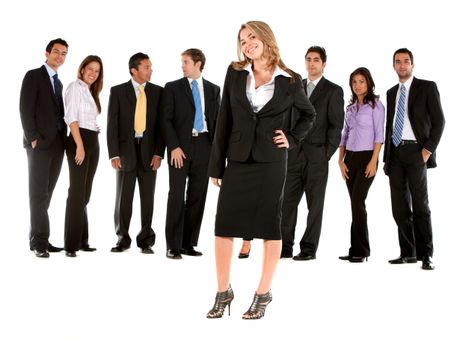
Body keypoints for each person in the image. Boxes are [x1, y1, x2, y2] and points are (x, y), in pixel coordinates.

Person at [206, 21, 316, 319]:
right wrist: (216, 165)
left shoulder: (290, 80)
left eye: (252, 37)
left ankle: (263, 293)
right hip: (238, 158)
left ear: (266, 38)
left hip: (271, 162)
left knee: (270, 224)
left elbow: (308, 114)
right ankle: (222, 291)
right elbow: (224, 118)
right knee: (223, 225)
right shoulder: (235, 72)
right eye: (242, 40)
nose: (247, 43)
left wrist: (291, 139)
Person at [280, 46, 344, 260]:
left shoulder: (333, 90)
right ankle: (285, 247)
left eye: (316, 60)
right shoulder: (294, 87)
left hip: (317, 156)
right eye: (308, 59)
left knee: (314, 206)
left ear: (324, 63)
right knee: (286, 203)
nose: (311, 63)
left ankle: (308, 249)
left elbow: (336, 126)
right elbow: (288, 119)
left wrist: (326, 153)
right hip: (293, 155)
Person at [384, 48, 445, 270]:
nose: (402, 65)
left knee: (420, 205)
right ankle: (407, 252)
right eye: (398, 62)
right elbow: (389, 126)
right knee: (399, 207)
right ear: (393, 66)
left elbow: (439, 122)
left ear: (412, 65)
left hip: (417, 152)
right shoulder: (391, 93)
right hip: (396, 153)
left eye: (406, 61)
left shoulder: (427, 87)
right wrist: (386, 158)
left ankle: (426, 254)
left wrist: (427, 150)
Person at [161, 49, 220, 259]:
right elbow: (165, 120)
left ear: (198, 64)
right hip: (180, 148)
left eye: (185, 62)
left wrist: (217, 154)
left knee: (197, 196)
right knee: (176, 195)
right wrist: (174, 146)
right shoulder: (173, 87)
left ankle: (188, 243)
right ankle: (172, 246)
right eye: (182, 62)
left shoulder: (214, 90)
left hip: (205, 146)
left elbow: (218, 123)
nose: (182, 66)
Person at [107, 52, 164, 254]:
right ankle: (122, 238)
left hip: (150, 153)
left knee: (148, 198)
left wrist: (159, 153)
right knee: (123, 198)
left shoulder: (159, 92)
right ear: (134, 70)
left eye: (151, 66)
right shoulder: (118, 91)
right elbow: (112, 125)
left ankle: (146, 240)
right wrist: (114, 154)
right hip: (125, 152)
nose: (151, 70)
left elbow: (161, 126)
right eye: (147, 67)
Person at [19, 38, 69, 258]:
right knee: (38, 194)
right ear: (47, 53)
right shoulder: (34, 76)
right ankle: (41, 242)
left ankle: (37, 238)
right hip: (39, 144)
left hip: (57, 144)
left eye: (64, 53)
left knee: (46, 194)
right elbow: (25, 108)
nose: (59, 56)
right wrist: (33, 138)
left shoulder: (59, 82)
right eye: (56, 52)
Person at [338, 67, 385, 263]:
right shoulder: (349, 109)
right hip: (350, 159)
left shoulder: (376, 106)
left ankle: (362, 250)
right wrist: (340, 161)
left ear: (369, 83)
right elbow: (344, 135)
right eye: (354, 82)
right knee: (355, 204)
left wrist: (373, 161)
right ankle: (355, 248)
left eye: (362, 81)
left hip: (367, 157)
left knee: (358, 202)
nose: (358, 85)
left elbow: (379, 135)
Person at [63, 55, 103, 257]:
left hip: (92, 140)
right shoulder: (74, 87)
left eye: (97, 71)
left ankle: (82, 240)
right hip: (79, 141)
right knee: (77, 192)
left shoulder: (90, 91)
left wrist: (94, 130)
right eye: (90, 69)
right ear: (82, 69)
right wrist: (79, 145)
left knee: (85, 193)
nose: (93, 74)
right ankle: (71, 245)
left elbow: (88, 118)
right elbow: (71, 118)